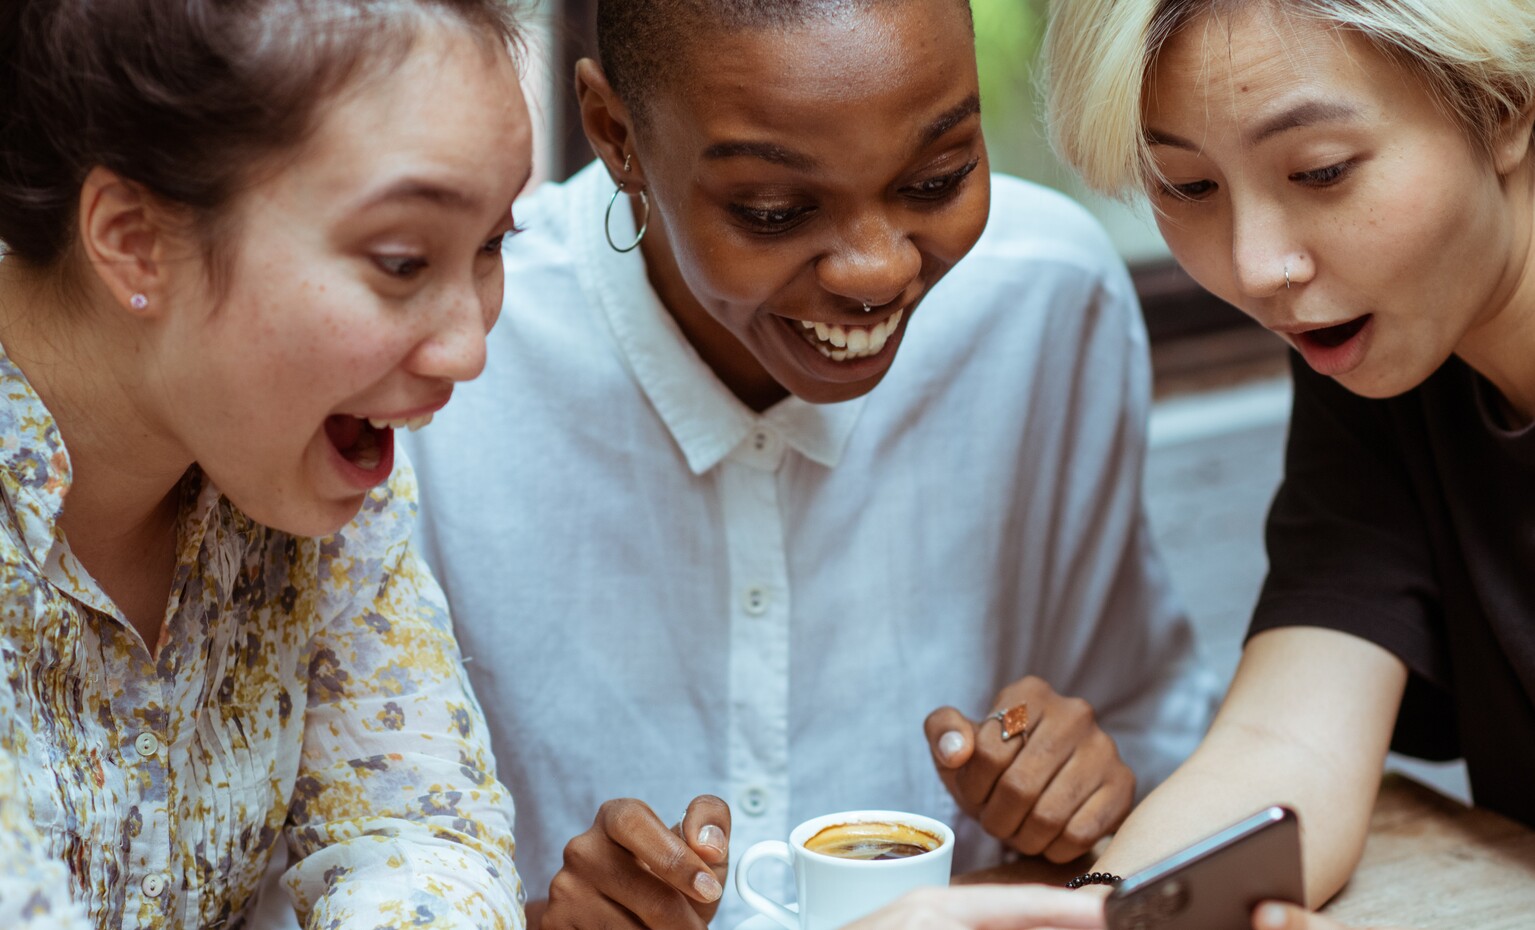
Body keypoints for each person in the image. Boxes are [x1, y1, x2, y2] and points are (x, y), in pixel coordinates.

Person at [400, 0, 1218, 927]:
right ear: (613, 134)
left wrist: (1080, 797)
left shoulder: (1046, 302)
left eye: (938, 178)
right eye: (773, 210)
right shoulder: (451, 376)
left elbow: (1157, 743)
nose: (874, 270)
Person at [0, 1, 535, 927]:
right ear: (132, 238)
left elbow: (420, 839)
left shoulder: (295, 450)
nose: (467, 349)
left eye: (490, 244)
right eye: (404, 261)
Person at [1038, 0, 1535, 928]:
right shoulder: (1385, 359)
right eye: (1186, 187)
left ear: (1504, 103)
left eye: (1321, 172)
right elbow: (1285, 741)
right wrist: (1101, 914)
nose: (1257, 265)